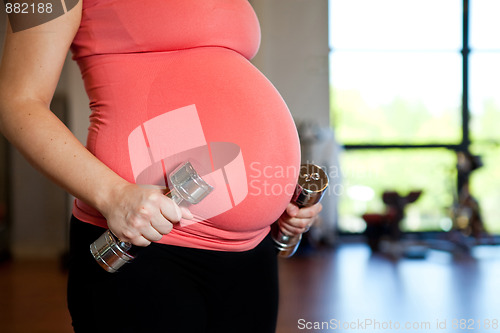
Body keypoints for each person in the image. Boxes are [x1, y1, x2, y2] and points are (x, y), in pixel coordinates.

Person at [0, 1, 323, 332]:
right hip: (146, 242)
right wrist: (114, 195)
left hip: (252, 252)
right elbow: (17, 101)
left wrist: (270, 192)